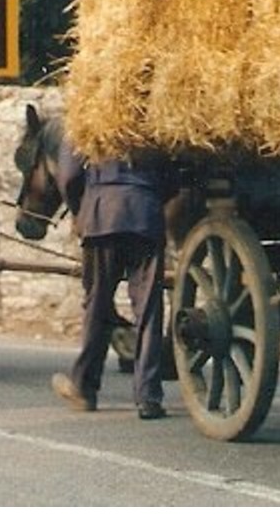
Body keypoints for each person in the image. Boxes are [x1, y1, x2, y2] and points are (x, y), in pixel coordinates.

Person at [50, 135, 181, 420]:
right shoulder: (154, 121)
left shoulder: (87, 116)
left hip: (101, 215)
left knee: (97, 304)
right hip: (145, 216)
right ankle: (148, 396)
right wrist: (148, 195)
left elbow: (70, 175)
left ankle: (85, 387)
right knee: (148, 309)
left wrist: (79, 210)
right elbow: (174, 176)